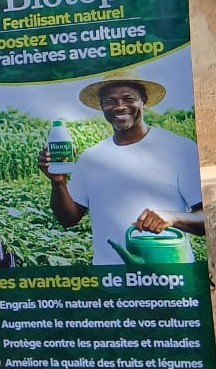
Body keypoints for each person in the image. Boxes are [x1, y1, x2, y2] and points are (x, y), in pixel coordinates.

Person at [38, 72, 203, 265]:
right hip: (111, 280)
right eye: (110, 101)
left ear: (144, 101)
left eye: (128, 98)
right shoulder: (90, 158)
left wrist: (171, 218)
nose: (119, 106)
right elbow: (68, 219)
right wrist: (58, 183)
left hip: (172, 276)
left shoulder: (179, 149)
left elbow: (206, 219)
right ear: (102, 107)